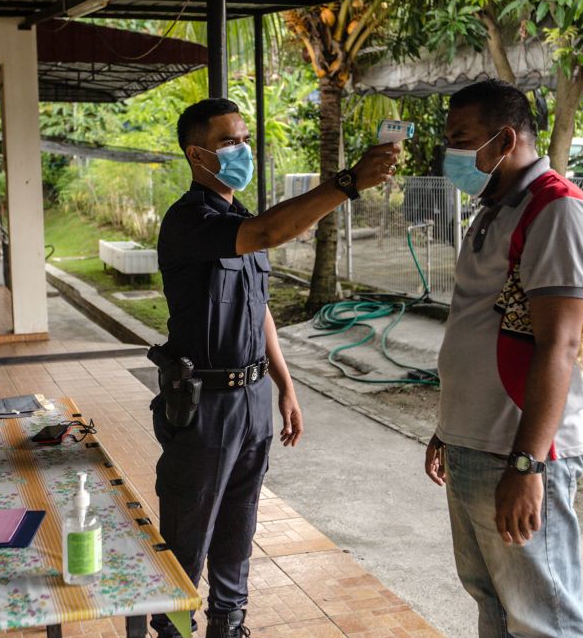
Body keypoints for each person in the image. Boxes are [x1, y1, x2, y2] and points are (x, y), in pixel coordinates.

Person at [151, 98, 399, 638]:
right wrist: (349, 182)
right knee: (189, 532)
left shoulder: (242, 219)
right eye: (229, 142)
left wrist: (285, 386)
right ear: (197, 154)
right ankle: (173, 628)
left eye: (245, 139)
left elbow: (258, 308)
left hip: (252, 399)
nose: (244, 150)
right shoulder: (189, 221)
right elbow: (267, 236)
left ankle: (229, 626)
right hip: (202, 404)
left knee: (239, 527)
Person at [424, 79, 583, 637]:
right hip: (474, 441)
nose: (451, 151)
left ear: (505, 139)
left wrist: (528, 465)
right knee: (494, 604)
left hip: (519, 452)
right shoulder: (494, 207)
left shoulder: (558, 211)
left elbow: (561, 344)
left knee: (542, 617)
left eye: (462, 138)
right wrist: (448, 427)